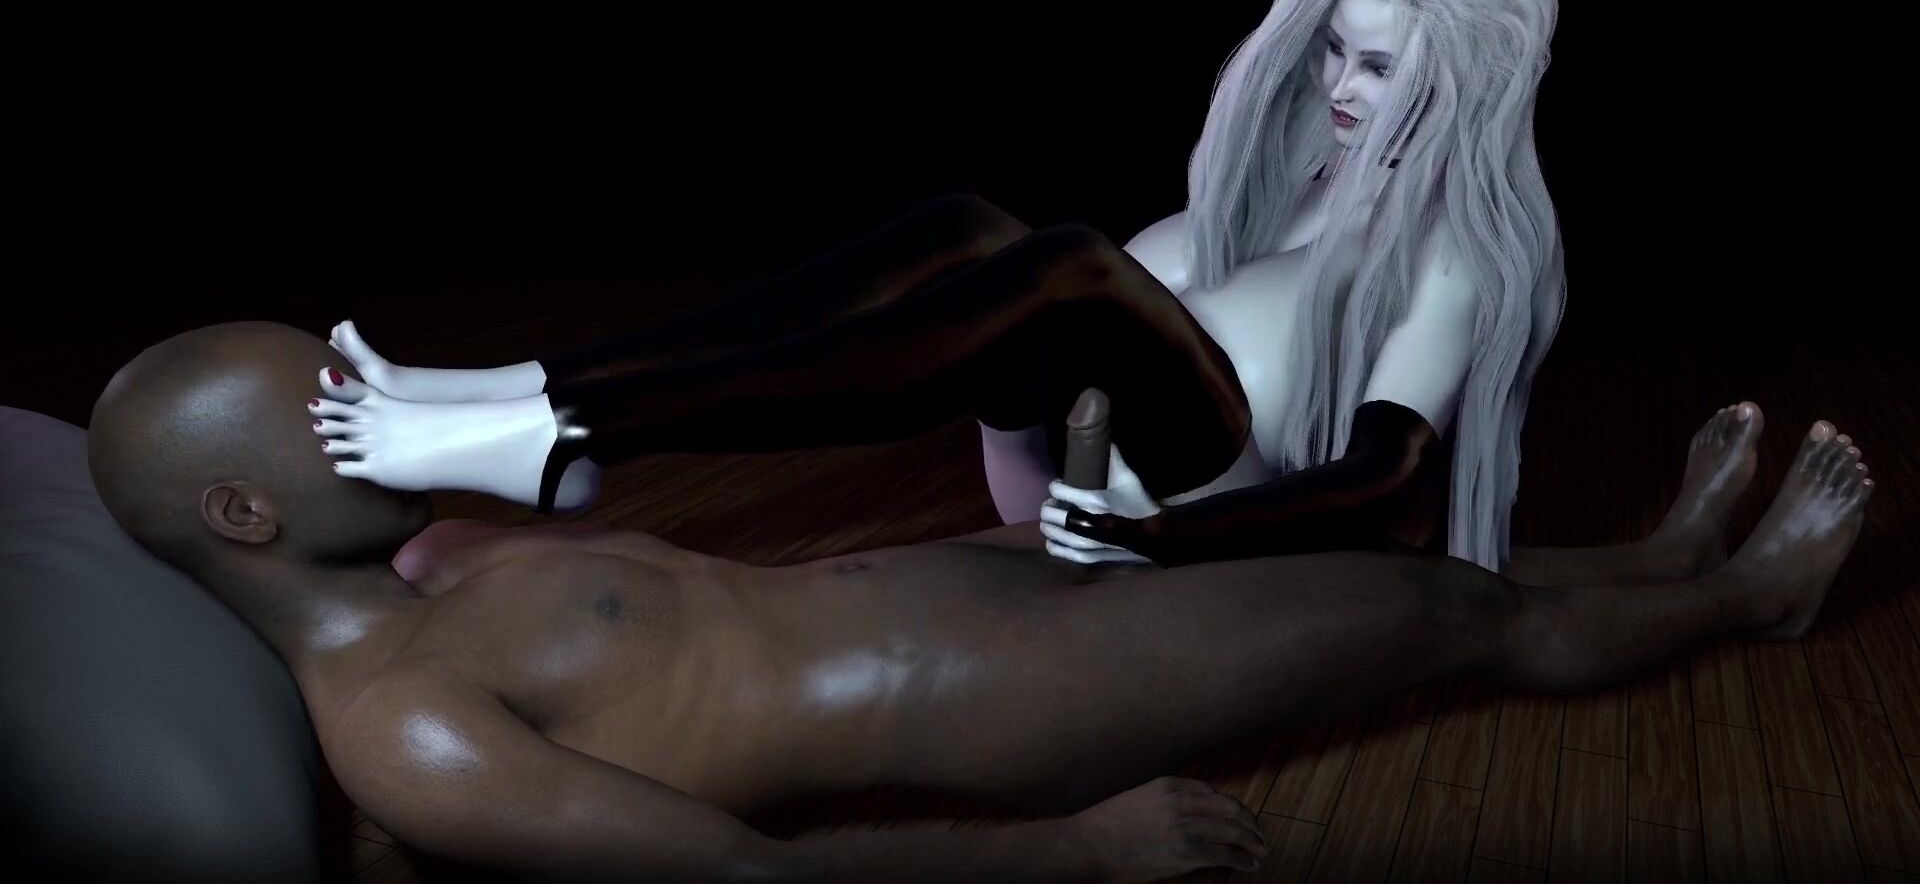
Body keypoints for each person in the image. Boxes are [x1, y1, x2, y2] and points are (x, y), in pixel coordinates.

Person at [89, 321, 1874, 883]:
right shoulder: (400, 727)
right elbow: (748, 878)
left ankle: (1657, 560)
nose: (371, 390)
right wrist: (1077, 851)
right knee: (1445, 625)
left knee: (1392, 563)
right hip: (1020, 705)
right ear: (247, 508)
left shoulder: (432, 566)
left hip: (964, 584)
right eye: (327, 398)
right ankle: (1751, 601)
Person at [309, 0, 1565, 576]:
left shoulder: (1449, 255)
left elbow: (1383, 478)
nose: (1340, 86)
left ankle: (564, 425)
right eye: (1335, 51)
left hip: (1191, 528)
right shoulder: (1291, 186)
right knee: (968, 226)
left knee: (1072, 267)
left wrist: (1160, 533)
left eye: (1379, 66)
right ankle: (537, 395)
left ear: (1459, 80)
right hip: (1062, 470)